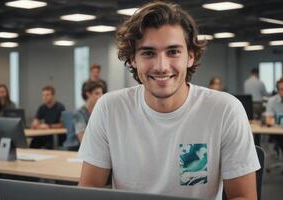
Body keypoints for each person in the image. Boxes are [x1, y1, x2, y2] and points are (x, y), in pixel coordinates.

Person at [78, 2, 260, 200]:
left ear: (190, 56)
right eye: (148, 53)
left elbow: (243, 197)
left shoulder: (225, 110)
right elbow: (89, 188)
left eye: (173, 52)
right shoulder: (109, 108)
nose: (162, 66)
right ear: (132, 59)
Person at [265, 77, 283, 151]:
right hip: (278, 134)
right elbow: (268, 120)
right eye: (281, 89)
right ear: (278, 90)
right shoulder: (272, 101)